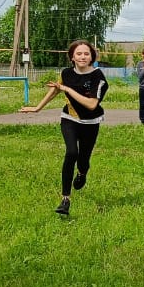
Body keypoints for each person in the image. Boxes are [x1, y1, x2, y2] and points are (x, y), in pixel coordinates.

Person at [19, 40, 107, 216]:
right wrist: (37, 108)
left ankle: (82, 173)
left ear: (92, 57)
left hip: (90, 122)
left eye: (86, 54)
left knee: (83, 160)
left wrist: (67, 89)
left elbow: (91, 104)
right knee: (71, 152)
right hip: (69, 119)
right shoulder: (66, 73)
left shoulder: (98, 77)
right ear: (72, 57)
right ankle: (65, 199)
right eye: (79, 54)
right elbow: (55, 90)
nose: (83, 57)